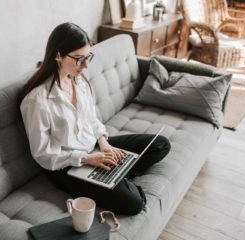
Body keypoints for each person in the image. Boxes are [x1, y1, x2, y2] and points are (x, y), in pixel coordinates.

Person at [19, 22, 171, 215]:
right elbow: (43, 154)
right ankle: (114, 176)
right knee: (135, 203)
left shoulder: (79, 81)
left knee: (160, 144)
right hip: (66, 166)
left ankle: (114, 173)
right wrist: (87, 159)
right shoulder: (37, 100)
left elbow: (91, 120)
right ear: (58, 55)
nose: (86, 65)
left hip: (93, 148)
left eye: (87, 57)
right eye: (79, 59)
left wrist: (104, 143)